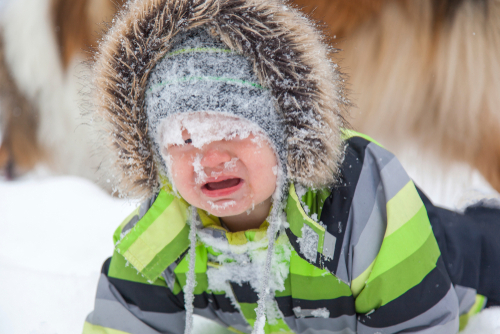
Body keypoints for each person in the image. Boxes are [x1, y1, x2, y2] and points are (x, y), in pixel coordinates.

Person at [83, 0, 500, 333]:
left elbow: (416, 323)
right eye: (185, 140)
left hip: (435, 259)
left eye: (233, 131)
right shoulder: (164, 230)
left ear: (285, 136)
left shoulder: (363, 210)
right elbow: (124, 321)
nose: (209, 159)